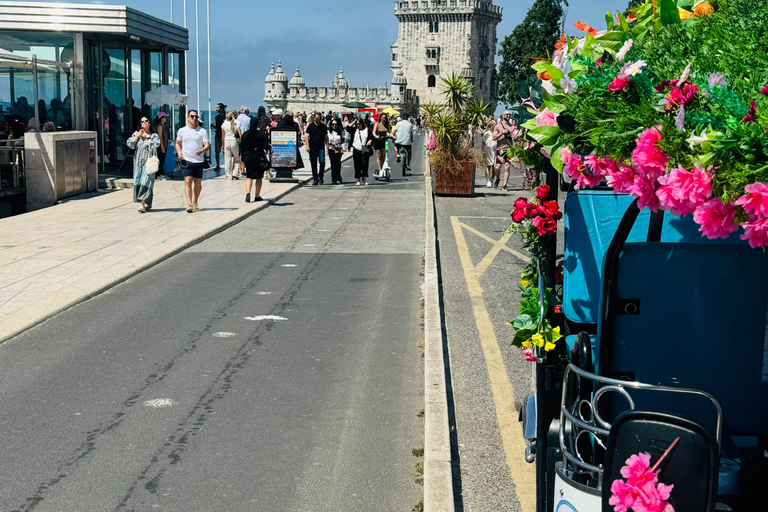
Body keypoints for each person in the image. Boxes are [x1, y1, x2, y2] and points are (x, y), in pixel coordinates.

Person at [175, 109, 210, 213]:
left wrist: (203, 150)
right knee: (187, 180)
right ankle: (189, 204)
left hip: (198, 160)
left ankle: (195, 201)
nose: (194, 118)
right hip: (186, 159)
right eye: (192, 116)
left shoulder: (202, 131)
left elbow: (207, 144)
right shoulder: (182, 131)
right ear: (188, 118)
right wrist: (179, 152)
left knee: (197, 182)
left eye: (196, 117)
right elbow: (178, 143)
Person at [127, 117, 160, 213]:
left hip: (148, 163)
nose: (144, 123)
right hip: (138, 163)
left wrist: (148, 138)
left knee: (146, 183)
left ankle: (142, 204)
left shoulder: (154, 136)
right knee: (139, 182)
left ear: (149, 123)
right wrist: (138, 136)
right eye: (142, 121)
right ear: (140, 124)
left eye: (146, 121)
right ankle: (147, 203)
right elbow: (129, 144)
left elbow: (154, 146)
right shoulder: (137, 134)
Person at [240, 117, 271, 203]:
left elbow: (241, 147)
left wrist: (243, 158)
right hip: (258, 156)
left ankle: (248, 193)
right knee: (259, 177)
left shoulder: (245, 134)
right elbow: (266, 146)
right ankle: (257, 196)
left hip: (248, 156)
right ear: (258, 124)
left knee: (249, 176)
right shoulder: (262, 134)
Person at [346, 117, 373, 186]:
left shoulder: (367, 130)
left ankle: (364, 178)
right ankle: (358, 179)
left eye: (359, 124)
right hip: (356, 148)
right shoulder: (354, 130)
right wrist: (353, 121)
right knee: (357, 165)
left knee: (364, 164)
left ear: (362, 124)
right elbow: (347, 128)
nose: (358, 125)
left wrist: (370, 141)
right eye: (357, 124)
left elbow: (371, 137)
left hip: (364, 149)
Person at [493, 110, 515, 190]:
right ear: (503, 116)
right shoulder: (498, 126)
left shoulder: (512, 127)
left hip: (509, 150)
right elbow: (494, 137)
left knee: (507, 166)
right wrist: (502, 132)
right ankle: (498, 178)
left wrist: (515, 136)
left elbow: (515, 139)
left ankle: (505, 185)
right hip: (500, 149)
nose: (508, 116)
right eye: (507, 114)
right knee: (497, 167)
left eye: (509, 114)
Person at [306, 112, 328, 185]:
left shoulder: (323, 127)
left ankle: (321, 176)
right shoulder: (311, 126)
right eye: (317, 118)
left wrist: (327, 147)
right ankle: (315, 178)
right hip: (312, 148)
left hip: (321, 147)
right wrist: (307, 146)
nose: (318, 120)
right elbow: (307, 136)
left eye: (319, 118)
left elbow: (326, 137)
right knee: (313, 164)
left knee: (322, 162)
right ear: (314, 118)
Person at [221, 110, 241, 180]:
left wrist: (222, 145)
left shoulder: (224, 124)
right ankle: (235, 173)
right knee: (236, 158)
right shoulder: (235, 123)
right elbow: (240, 134)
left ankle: (228, 175)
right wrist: (240, 142)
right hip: (234, 141)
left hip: (226, 141)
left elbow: (222, 135)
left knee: (227, 159)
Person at [482, 117, 500, 188]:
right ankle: (488, 181)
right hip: (488, 151)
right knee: (487, 166)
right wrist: (483, 150)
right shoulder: (487, 134)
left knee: (495, 167)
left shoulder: (497, 134)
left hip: (495, 151)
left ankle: (492, 177)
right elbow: (483, 142)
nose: (494, 126)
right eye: (493, 125)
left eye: (495, 124)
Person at [327, 118, 345, 184]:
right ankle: (333, 178)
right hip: (331, 148)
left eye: (336, 124)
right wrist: (331, 143)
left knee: (338, 163)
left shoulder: (341, 131)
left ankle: (338, 177)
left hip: (338, 149)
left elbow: (343, 140)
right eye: (333, 124)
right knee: (333, 164)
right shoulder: (329, 131)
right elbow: (327, 140)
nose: (334, 126)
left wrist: (338, 142)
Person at [153, 112, 170, 180]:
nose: (166, 119)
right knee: (160, 160)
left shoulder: (163, 125)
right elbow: (160, 137)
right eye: (165, 117)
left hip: (164, 145)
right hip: (160, 146)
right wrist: (162, 146)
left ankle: (162, 173)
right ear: (161, 118)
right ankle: (158, 174)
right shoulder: (160, 126)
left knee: (162, 160)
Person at [213, 102, 227, 171]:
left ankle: (227, 164)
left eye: (217, 107)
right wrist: (214, 126)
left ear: (221, 108)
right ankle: (218, 165)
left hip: (224, 136)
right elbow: (218, 127)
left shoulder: (226, 117)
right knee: (217, 151)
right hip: (218, 135)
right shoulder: (217, 117)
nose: (216, 109)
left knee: (225, 151)